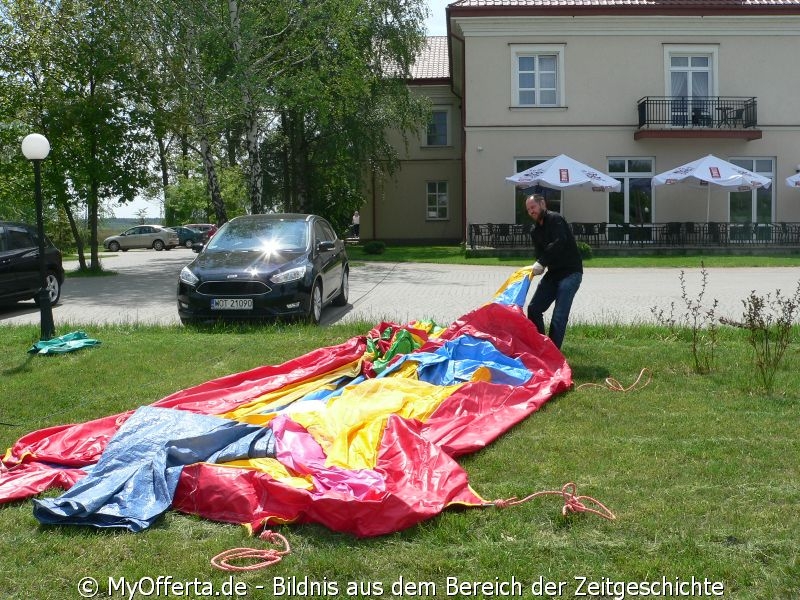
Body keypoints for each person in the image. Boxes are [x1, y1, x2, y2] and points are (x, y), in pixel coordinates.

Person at [524, 193, 583, 349]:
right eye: (528, 209)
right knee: (533, 308)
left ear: (542, 204)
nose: (531, 211)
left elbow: (560, 241)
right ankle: (540, 347)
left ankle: (552, 353)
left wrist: (542, 262)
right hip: (553, 274)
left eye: (533, 207)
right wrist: (538, 265)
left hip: (571, 273)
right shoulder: (534, 230)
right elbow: (539, 254)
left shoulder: (555, 219)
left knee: (559, 316)